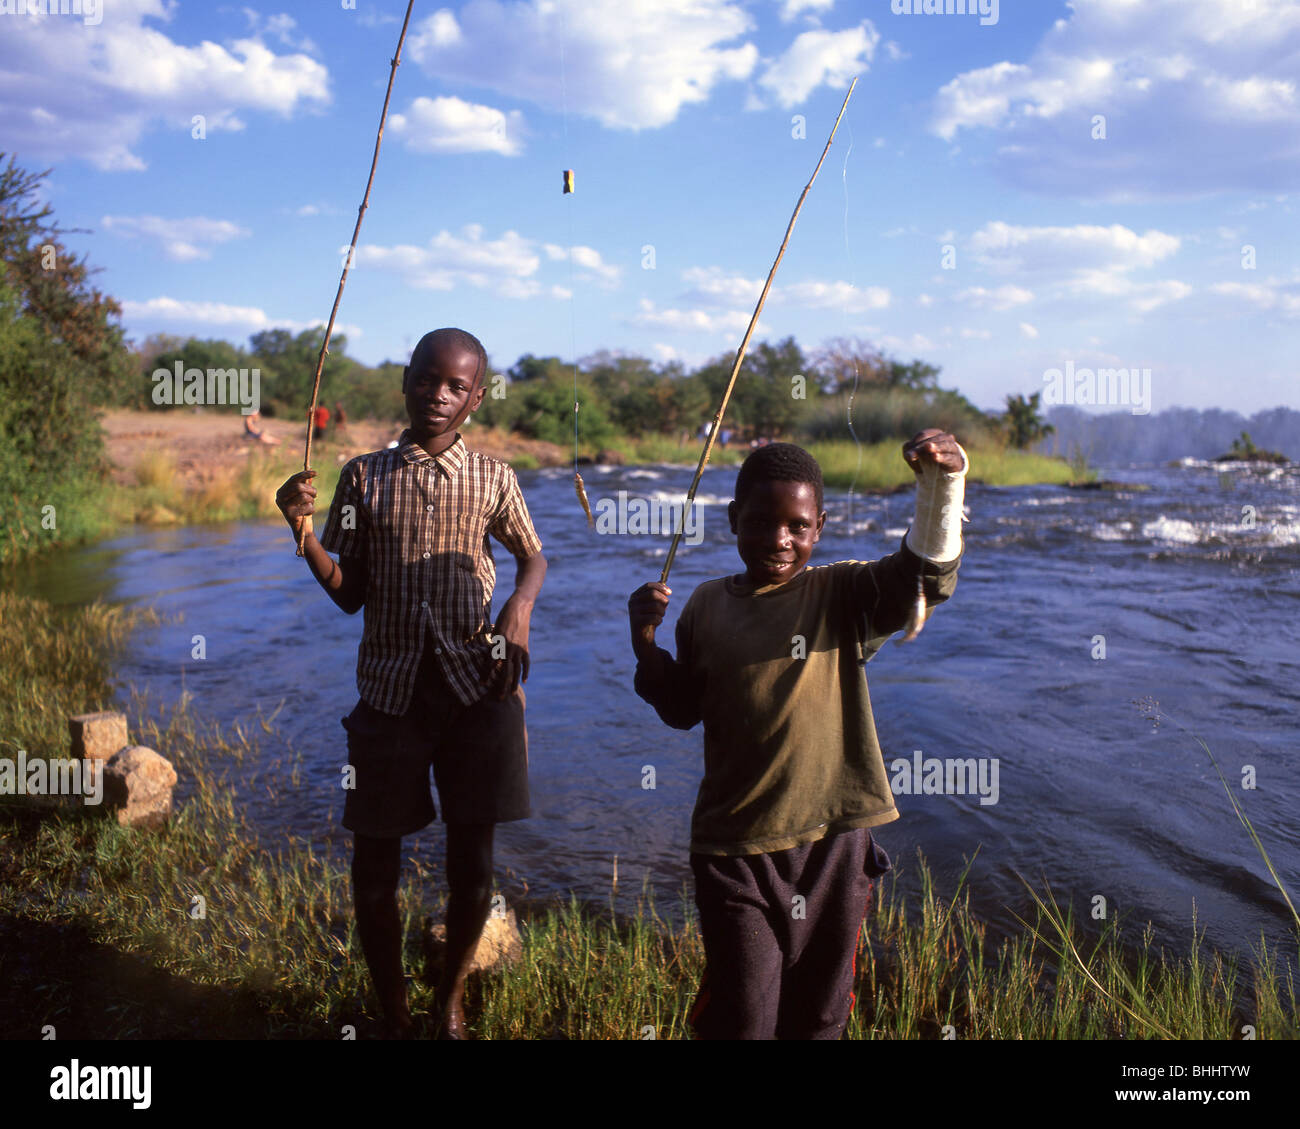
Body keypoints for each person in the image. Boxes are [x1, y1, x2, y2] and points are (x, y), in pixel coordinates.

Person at [627, 432, 966, 1039]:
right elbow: (681, 710)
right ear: (733, 519)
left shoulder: (841, 593)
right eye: (760, 522)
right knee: (744, 1018)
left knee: (820, 1016)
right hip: (733, 849)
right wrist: (644, 645)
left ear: (819, 528)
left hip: (832, 845)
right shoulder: (704, 606)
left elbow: (925, 579)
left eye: (797, 527)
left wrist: (941, 486)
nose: (778, 540)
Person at [275, 328, 546, 1039]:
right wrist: (303, 534)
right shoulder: (363, 476)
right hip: (390, 694)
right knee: (374, 861)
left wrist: (519, 607)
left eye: (456, 386)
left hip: (476, 687)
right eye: (427, 379)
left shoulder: (495, 478)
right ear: (406, 381)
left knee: (473, 864)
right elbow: (349, 592)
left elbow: (533, 558)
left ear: (477, 398)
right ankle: (393, 1006)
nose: (438, 394)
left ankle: (448, 1000)